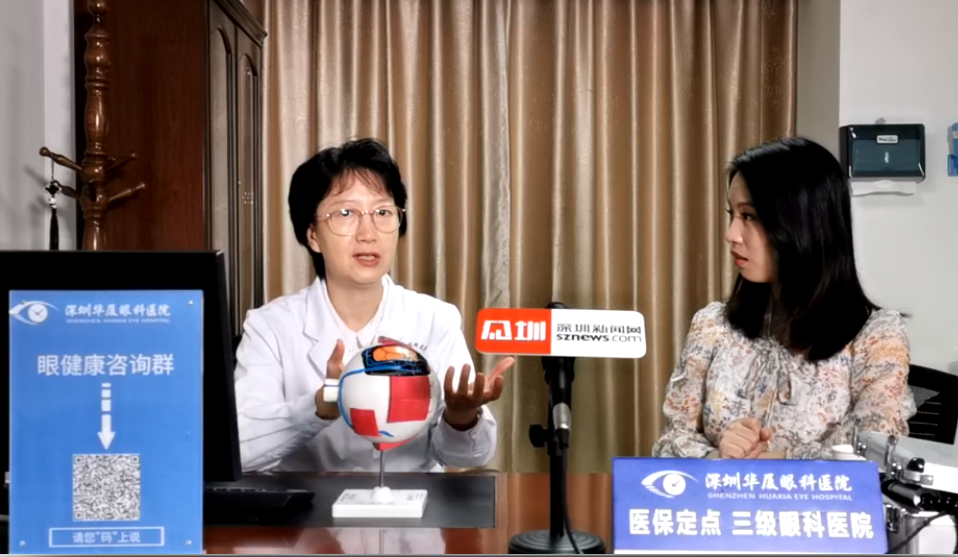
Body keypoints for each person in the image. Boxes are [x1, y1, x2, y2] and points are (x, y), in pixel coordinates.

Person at [234, 138, 515, 472]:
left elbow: (470, 457)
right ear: (312, 235)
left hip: (416, 502)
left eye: (383, 212)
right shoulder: (270, 327)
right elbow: (237, 449)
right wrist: (319, 407)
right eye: (346, 213)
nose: (368, 233)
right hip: (308, 505)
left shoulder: (434, 319)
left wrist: (462, 417)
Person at [651, 136, 916, 460]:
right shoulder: (712, 326)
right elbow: (670, 442)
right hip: (722, 494)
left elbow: (875, 450)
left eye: (749, 216)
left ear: (804, 223)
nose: (731, 235)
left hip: (811, 497)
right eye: (732, 214)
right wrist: (716, 458)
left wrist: (775, 461)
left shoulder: (876, 336)